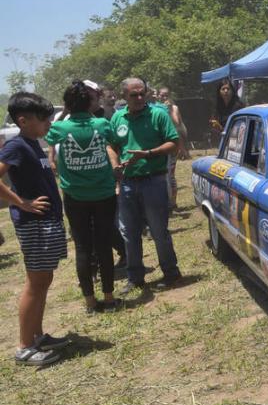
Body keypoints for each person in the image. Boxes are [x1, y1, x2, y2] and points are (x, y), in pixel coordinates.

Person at [0, 92, 69, 366]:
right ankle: (25, 347)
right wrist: (21, 202)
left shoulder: (32, 143)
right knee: (36, 282)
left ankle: (37, 335)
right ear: (23, 120)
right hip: (34, 225)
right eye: (44, 120)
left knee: (44, 280)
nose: (48, 124)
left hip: (46, 222)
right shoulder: (16, 146)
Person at [47, 82, 121, 314]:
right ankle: (109, 298)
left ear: (67, 105)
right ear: (90, 102)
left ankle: (90, 303)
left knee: (82, 248)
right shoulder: (101, 124)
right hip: (104, 194)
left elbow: (49, 138)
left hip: (74, 196)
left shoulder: (59, 128)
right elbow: (114, 143)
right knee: (103, 244)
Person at [111, 77, 183, 295]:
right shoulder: (117, 118)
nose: (140, 98)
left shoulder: (158, 114)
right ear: (124, 96)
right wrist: (115, 164)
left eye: (142, 93)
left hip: (154, 180)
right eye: (134, 95)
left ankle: (171, 272)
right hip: (128, 184)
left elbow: (174, 143)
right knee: (129, 233)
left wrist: (149, 153)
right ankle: (135, 278)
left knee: (158, 230)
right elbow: (111, 144)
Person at [157, 87, 189, 210]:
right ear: (158, 96)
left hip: (172, 143)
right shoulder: (154, 108)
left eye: (166, 95)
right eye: (162, 95)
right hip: (160, 144)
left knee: (170, 174)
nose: (164, 97)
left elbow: (178, 124)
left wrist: (170, 110)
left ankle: (172, 202)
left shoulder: (174, 108)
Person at [211, 78, 245, 143]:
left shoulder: (239, 106)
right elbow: (215, 123)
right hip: (222, 139)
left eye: (228, 89)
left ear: (232, 91)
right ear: (219, 92)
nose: (226, 91)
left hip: (236, 139)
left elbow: (241, 125)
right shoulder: (217, 107)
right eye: (223, 89)